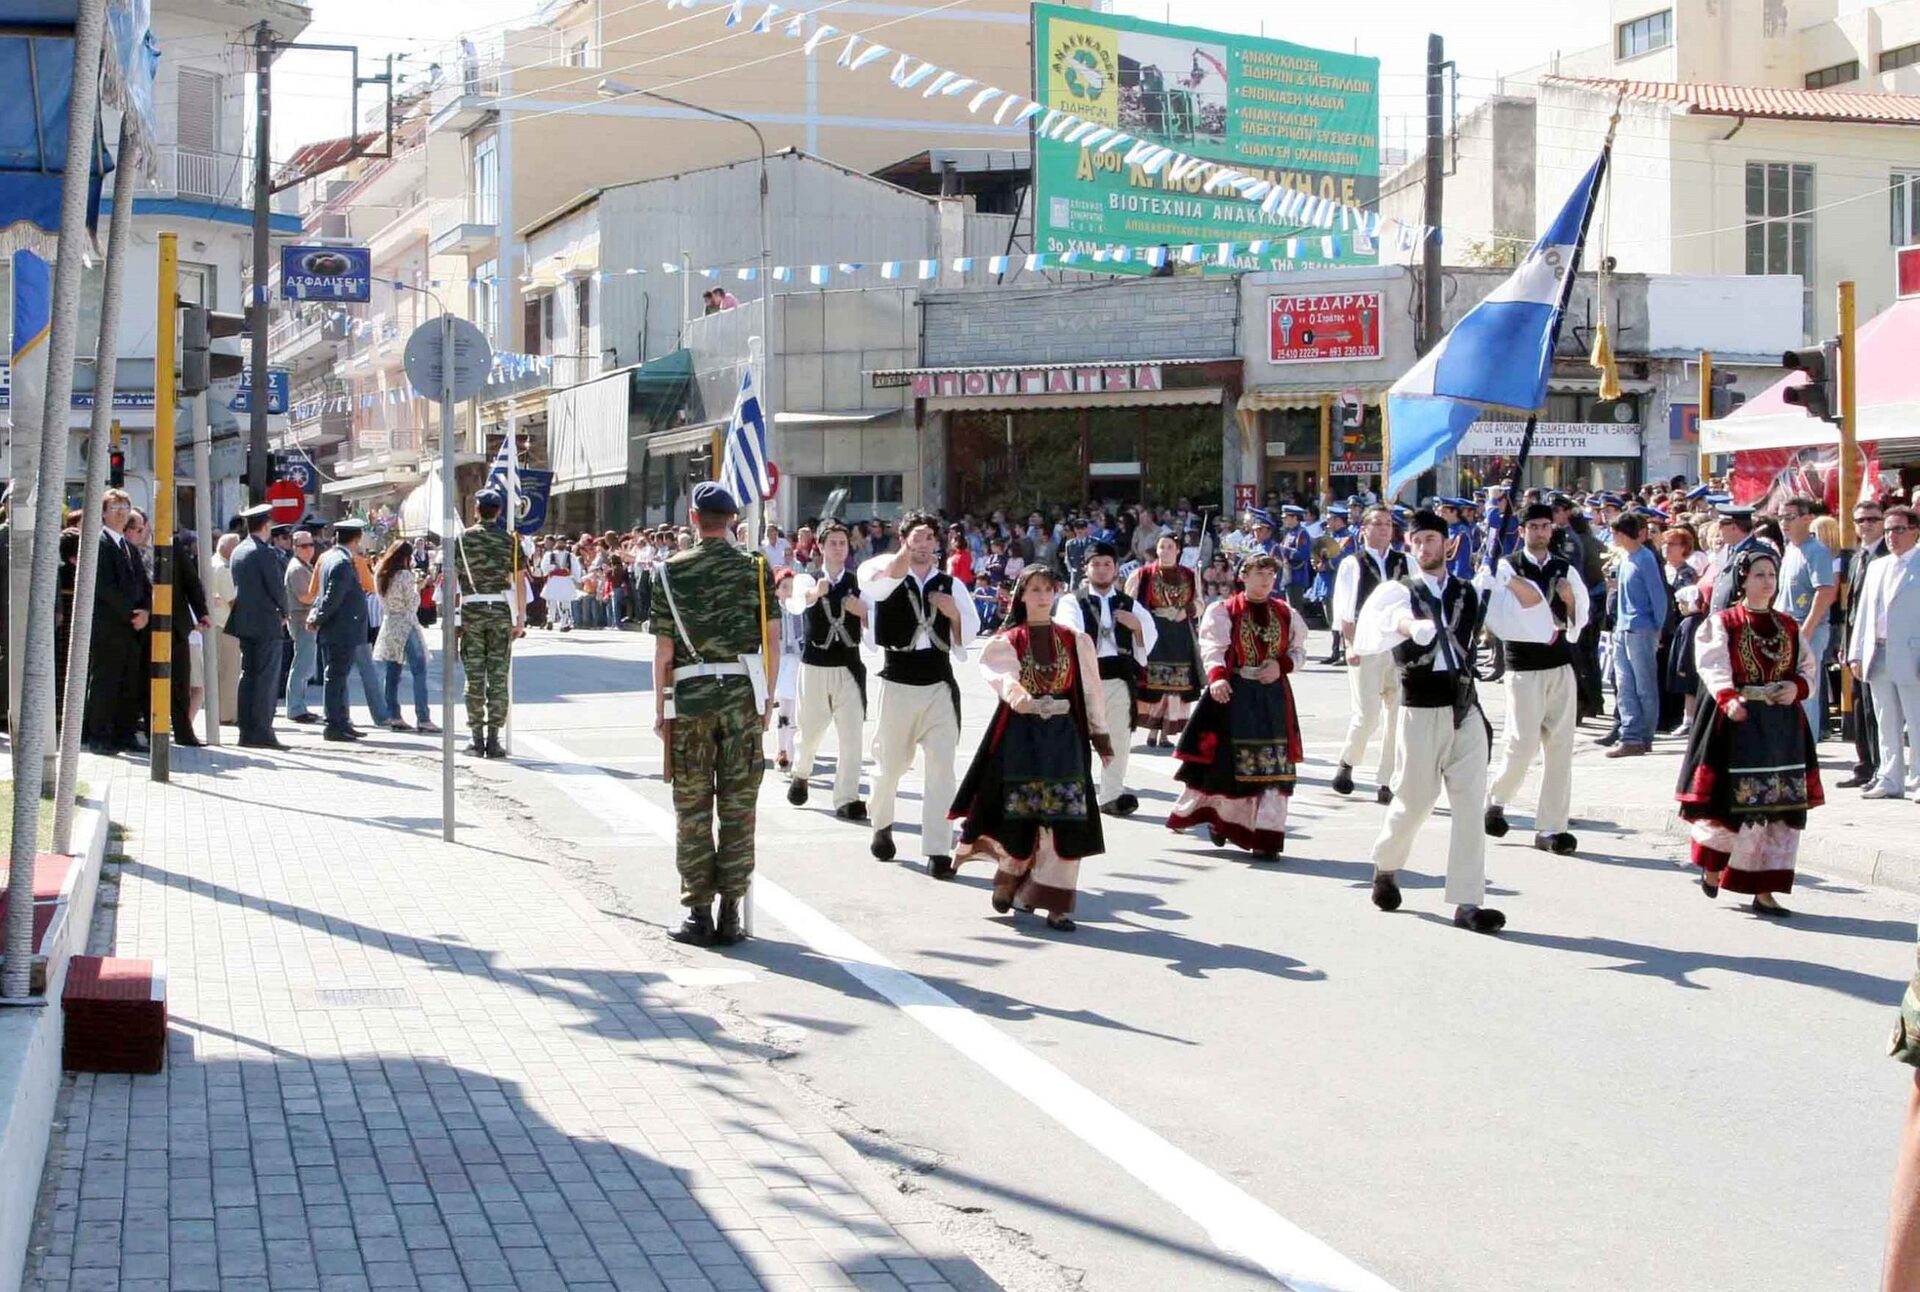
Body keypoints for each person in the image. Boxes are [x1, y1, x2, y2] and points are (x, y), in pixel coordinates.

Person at [1354, 509, 1505, 934]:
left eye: (1432, 540)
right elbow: (1376, 627)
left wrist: (1505, 586)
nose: (1425, 547)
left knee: (1470, 806)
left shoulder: (1467, 591)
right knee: (1414, 801)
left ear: (1448, 545)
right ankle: (1386, 865)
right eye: (1417, 541)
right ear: (1409, 546)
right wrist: (1410, 625)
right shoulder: (1398, 591)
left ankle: (1468, 901)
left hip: (1464, 708)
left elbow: (1517, 624)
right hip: (1420, 709)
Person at [648, 482, 779, 948]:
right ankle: (731, 914)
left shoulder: (668, 573)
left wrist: (660, 708)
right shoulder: (756, 569)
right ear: (731, 521)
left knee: (693, 809)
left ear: (693, 520)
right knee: (739, 809)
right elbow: (773, 640)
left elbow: (664, 652)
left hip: (691, 699)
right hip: (742, 697)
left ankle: (698, 912)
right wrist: (766, 700)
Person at [951, 566, 1114, 931]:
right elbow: (1001, 672)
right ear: (1021, 596)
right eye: (1035, 589)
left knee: (1065, 816)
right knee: (1020, 813)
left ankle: (1056, 904)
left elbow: (1090, 691)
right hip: (1022, 738)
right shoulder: (1010, 640)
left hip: (1064, 738)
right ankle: (1011, 879)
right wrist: (1016, 692)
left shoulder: (1075, 640)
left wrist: (1101, 737)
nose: (1042, 596)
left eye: (1048, 589)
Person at [1676, 547, 1823, 914]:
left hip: (1782, 727)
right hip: (1738, 724)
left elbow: (1808, 667)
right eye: (1759, 574)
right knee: (1734, 804)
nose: (1767, 581)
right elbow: (1711, 665)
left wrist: (1797, 688)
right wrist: (1728, 698)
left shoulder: (1788, 625)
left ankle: (1764, 889)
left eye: (1771, 575)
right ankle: (1714, 866)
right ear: (1743, 579)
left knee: (1780, 807)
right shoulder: (1724, 622)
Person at [1165, 552, 1308, 859]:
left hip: (1273, 698)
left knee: (1274, 767)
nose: (1266, 580)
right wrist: (1217, 678)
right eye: (1259, 574)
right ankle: (1223, 822)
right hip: (1237, 695)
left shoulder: (1285, 613)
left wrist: (1282, 665)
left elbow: (1298, 650)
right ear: (1243, 576)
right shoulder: (1225, 610)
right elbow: (1214, 647)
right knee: (1230, 765)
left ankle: (1267, 838)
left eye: (1270, 575)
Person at [860, 512, 980, 877]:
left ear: (937, 543)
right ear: (904, 539)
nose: (923, 544)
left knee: (942, 768)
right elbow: (876, 590)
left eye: (929, 538)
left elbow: (970, 633)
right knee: (890, 766)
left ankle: (938, 849)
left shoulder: (950, 583)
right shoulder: (882, 570)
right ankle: (881, 822)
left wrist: (953, 612)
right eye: (916, 537)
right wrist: (904, 555)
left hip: (939, 683)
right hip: (898, 682)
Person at [1482, 503, 1590, 854]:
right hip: (1524, 666)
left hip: (1558, 663)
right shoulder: (1507, 566)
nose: (1541, 532)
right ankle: (1497, 799)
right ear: (1523, 530)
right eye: (1534, 527)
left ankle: (1551, 827)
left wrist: (1568, 599)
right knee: (1522, 743)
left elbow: (1579, 616)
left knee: (1560, 748)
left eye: (1546, 526)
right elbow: (1498, 613)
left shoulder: (1563, 567)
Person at [1052, 542, 1153, 817]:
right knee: (1076, 736)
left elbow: (1150, 635)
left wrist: (1136, 627)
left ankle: (1111, 795)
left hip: (1119, 676)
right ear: (1086, 568)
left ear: (1116, 569)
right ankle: (1072, 791)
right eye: (1095, 564)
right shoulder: (1074, 600)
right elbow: (1066, 630)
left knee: (1118, 737)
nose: (1101, 569)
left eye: (1107, 564)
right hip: (1085, 676)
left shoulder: (1127, 602)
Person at [785, 523, 868, 819]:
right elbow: (795, 605)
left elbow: (874, 630)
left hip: (848, 667)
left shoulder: (860, 583)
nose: (838, 548)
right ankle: (801, 772)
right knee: (809, 732)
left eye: (842, 543)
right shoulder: (808, 578)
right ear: (820, 547)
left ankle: (846, 797)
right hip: (815, 667)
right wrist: (814, 594)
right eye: (832, 543)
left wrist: (864, 612)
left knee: (852, 735)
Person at [1330, 506, 1407, 802]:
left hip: (1399, 646)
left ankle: (1388, 779)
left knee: (1398, 714)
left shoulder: (1405, 561)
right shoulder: (1354, 563)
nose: (1384, 529)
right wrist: (1349, 645)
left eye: (1388, 524)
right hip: (1367, 644)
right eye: (1377, 523)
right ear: (1364, 529)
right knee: (1367, 715)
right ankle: (1348, 761)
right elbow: (1345, 610)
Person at [1848, 505, 1920, 800]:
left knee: (1916, 719)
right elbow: (1863, 612)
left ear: (1915, 531)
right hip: (1877, 652)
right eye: (1888, 530)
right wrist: (1856, 652)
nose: (1892, 536)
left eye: (1899, 529)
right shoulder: (1878, 566)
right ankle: (1891, 777)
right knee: (1884, 718)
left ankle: (1917, 777)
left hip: (1912, 653)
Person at [454, 489, 524, 758]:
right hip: (500, 612)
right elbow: (518, 580)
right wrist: (520, 618)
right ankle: (494, 741)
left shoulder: (462, 540)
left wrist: (453, 618)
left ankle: (476, 739)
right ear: (498, 511)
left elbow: (452, 580)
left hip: (471, 610)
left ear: (476, 510)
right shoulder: (510, 540)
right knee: (498, 677)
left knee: (474, 677)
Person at [83, 488, 150, 753]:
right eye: (114, 508)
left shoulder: (129, 548)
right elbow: (104, 587)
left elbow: (144, 585)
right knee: (105, 682)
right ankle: (99, 736)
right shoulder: (99, 544)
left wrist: (145, 611)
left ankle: (125, 734)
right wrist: (130, 613)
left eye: (124, 507)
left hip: (132, 628)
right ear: (103, 512)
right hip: (109, 627)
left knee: (129, 683)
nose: (121, 513)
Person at [225, 504, 290, 750]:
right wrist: (284, 612)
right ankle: (262, 731)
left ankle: (247, 731)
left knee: (249, 676)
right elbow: (276, 587)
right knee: (266, 680)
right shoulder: (263, 552)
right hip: (265, 622)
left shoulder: (239, 550)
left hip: (244, 621)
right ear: (266, 525)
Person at [1128, 532, 1203, 747]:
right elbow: (1131, 603)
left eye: (1170, 547)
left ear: (1178, 550)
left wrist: (1186, 611)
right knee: (1155, 682)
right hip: (1155, 632)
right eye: (1162, 547)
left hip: (1179, 633)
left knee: (1175, 685)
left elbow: (1199, 602)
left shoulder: (1189, 575)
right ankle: (1152, 730)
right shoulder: (1144, 575)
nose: (1166, 551)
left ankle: (1166, 733)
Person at [1605, 511, 1667, 758]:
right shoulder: (1625, 559)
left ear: (1623, 534)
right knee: (1624, 684)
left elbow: (1658, 597)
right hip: (1622, 628)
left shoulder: (1645, 558)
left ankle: (1643, 736)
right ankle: (1630, 734)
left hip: (1641, 629)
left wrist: (1658, 628)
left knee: (1644, 686)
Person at [1774, 495, 1837, 739]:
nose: (1783, 523)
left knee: (1805, 690)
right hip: (1786, 627)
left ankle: (1806, 746)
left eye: (1789, 517)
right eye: (1780, 517)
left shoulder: (1817, 551)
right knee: (1787, 690)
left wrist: (1807, 630)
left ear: (1807, 519)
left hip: (1806, 628)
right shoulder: (1790, 549)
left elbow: (1826, 591)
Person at [308, 519, 370, 742]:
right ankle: (334, 724)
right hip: (341, 629)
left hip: (338, 628)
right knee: (335, 676)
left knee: (339, 677)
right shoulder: (342, 562)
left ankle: (342, 721)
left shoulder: (332, 558)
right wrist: (318, 617)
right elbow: (333, 596)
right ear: (357, 539)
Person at [1840, 501, 1888, 789]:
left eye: (1872, 519)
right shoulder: (1858, 557)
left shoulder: (1885, 555)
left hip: (1879, 645)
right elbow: (1851, 607)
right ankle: (1864, 765)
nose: (1866, 525)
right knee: (1860, 705)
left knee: (1876, 709)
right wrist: (1847, 644)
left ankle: (1880, 768)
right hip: (1857, 642)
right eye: (1860, 520)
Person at [373, 540, 438, 734]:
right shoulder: (404, 575)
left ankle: (393, 714)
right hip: (406, 624)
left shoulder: (381, 573)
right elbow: (412, 603)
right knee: (419, 670)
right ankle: (423, 717)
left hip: (389, 623)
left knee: (393, 672)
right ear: (406, 557)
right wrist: (421, 585)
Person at [168, 533, 211, 747]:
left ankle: (183, 732)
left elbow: (191, 581)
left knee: (181, 683)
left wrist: (202, 612)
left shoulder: (171, 544)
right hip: (141, 626)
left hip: (177, 627)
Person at [284, 530, 320, 724]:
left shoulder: (305, 566)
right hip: (301, 620)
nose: (309, 549)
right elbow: (304, 596)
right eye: (304, 546)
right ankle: (296, 708)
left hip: (307, 621)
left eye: (311, 545)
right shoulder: (297, 569)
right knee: (301, 666)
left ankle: (299, 706)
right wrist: (322, 596)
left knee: (305, 666)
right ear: (295, 548)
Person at [541, 540, 581, 630]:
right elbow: (576, 568)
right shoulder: (570, 556)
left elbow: (544, 567)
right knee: (564, 601)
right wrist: (577, 579)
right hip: (565, 580)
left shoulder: (550, 555)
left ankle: (551, 619)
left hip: (554, 580)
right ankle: (563, 622)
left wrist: (548, 571)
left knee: (552, 601)